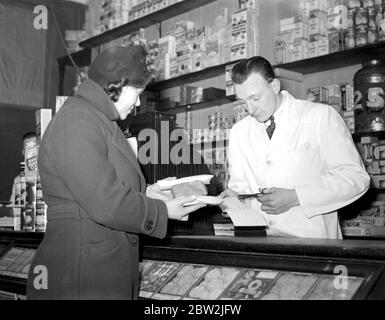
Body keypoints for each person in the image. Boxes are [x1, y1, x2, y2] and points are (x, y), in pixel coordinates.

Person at [26, 45, 205, 300]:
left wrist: (150, 193)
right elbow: (105, 203)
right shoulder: (77, 121)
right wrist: (162, 211)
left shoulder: (96, 119)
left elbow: (100, 186)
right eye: (139, 92)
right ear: (118, 86)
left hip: (94, 271)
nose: (140, 102)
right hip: (80, 278)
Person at [220, 56, 370, 239]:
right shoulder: (239, 132)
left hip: (314, 242)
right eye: (242, 102)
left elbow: (355, 178)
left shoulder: (320, 117)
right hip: (261, 244)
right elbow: (240, 189)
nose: (250, 109)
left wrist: (297, 196)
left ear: (274, 86)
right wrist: (232, 200)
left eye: (255, 98)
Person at [9, 132, 36, 206]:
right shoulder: (18, 180)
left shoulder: (51, 176)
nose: (31, 153)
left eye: (34, 148)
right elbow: (13, 209)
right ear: (23, 152)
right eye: (28, 149)